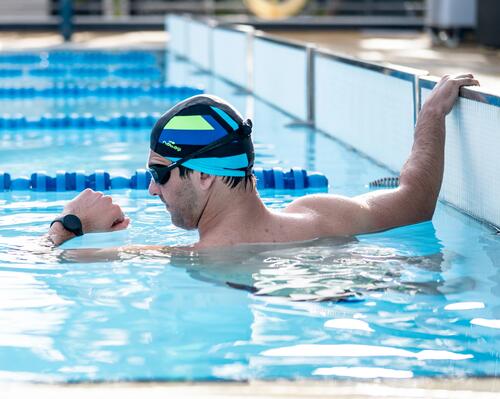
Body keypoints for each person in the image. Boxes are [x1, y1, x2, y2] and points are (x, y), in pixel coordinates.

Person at [45, 74, 479, 251]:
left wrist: (70, 224)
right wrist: (432, 114)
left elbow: (32, 261)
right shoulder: (322, 213)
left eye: (159, 172)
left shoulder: (192, 258)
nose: (151, 189)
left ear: (202, 174)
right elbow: (417, 200)